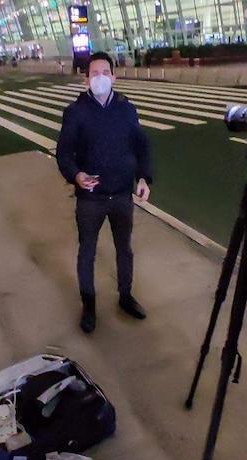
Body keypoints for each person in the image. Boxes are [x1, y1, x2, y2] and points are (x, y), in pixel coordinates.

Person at [56, 51, 153, 334]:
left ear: (114, 76)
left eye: (105, 73)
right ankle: (89, 306)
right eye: (94, 73)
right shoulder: (76, 112)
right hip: (91, 199)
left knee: (125, 249)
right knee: (87, 252)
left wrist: (144, 177)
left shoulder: (126, 108)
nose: (100, 78)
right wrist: (76, 175)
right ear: (86, 78)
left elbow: (141, 146)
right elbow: (64, 153)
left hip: (122, 195)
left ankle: (125, 296)